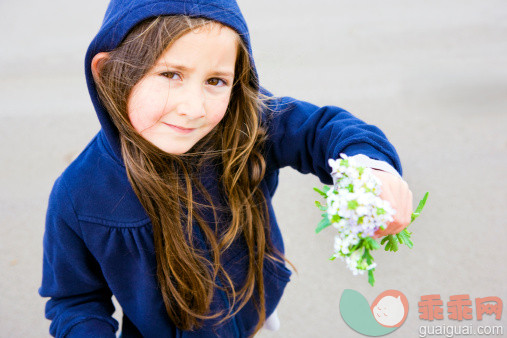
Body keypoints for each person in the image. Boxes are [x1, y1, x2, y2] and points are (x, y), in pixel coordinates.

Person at [38, 0, 413, 337]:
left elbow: (321, 131)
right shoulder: (78, 195)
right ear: (108, 72)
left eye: (215, 81)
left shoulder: (246, 125)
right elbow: (75, 301)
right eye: (171, 75)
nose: (194, 108)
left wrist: (372, 170)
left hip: (252, 311)